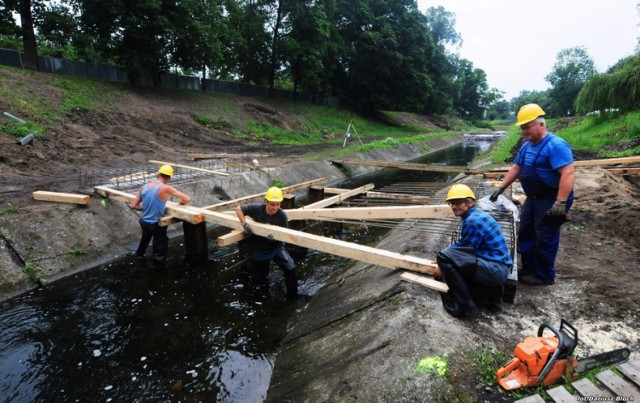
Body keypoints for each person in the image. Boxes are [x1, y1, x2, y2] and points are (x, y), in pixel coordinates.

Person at [490, 103, 575, 286]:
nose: (524, 131)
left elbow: (568, 174)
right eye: (522, 127)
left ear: (541, 124)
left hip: (551, 197)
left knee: (545, 236)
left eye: (528, 126)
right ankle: (528, 268)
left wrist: (560, 203)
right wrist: (501, 188)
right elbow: (516, 167)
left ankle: (543, 275)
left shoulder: (555, 145)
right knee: (526, 232)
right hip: (534, 198)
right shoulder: (527, 146)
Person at [433, 184, 513, 318]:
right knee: (447, 256)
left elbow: (463, 252)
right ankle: (493, 300)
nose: (454, 207)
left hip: (496, 270)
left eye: (458, 203)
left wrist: (440, 264)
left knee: (443, 257)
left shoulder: (472, 221)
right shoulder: (476, 215)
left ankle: (466, 307)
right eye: (451, 203)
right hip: (500, 266)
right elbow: (464, 246)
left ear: (470, 203)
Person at [235, 186, 298, 298]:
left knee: (291, 268)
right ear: (266, 202)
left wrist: (275, 237)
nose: (275, 208)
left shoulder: (282, 215)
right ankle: (263, 298)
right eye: (272, 204)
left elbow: (284, 234)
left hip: (276, 247)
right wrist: (244, 224)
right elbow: (239, 209)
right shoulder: (256, 209)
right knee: (261, 278)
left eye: (277, 204)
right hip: (260, 249)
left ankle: (293, 297)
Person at [130, 164, 191, 269]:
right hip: (156, 224)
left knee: (145, 237)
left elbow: (134, 205)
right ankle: (159, 269)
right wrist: (180, 205)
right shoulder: (166, 188)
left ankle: (138, 255)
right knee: (160, 245)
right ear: (170, 177)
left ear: (158, 174)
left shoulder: (144, 187)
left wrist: (147, 208)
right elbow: (186, 199)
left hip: (144, 222)